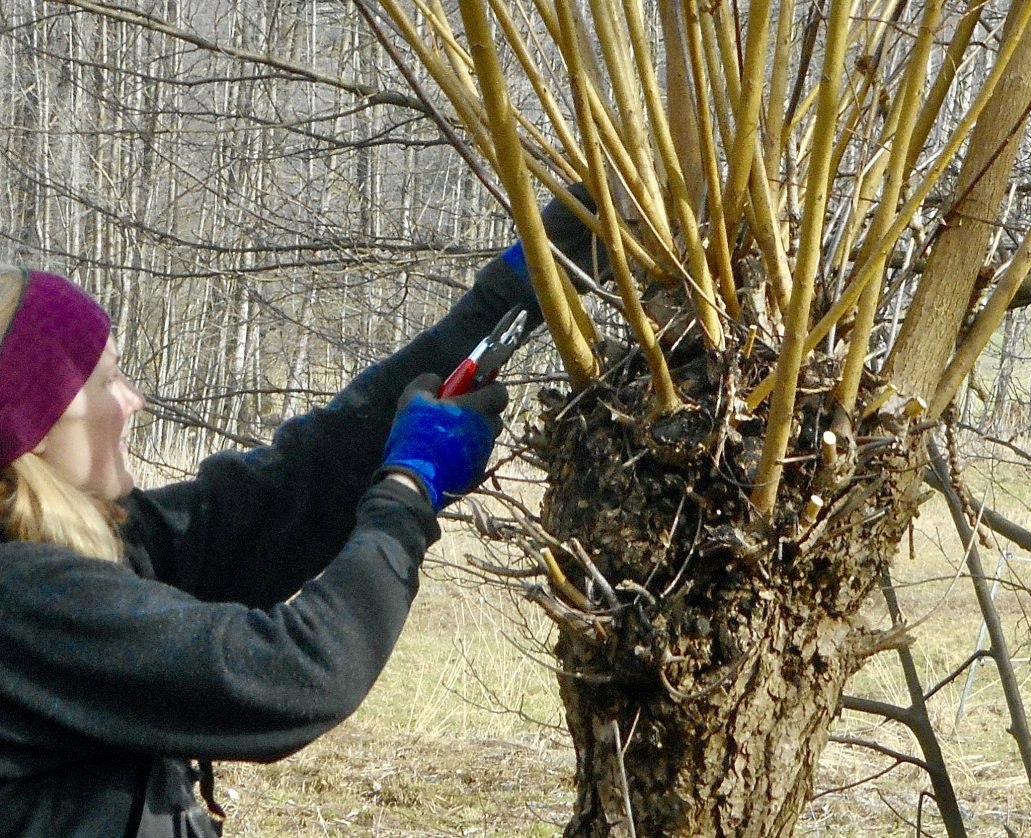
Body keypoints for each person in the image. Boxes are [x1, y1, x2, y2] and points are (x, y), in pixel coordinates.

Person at [0, 189, 600, 837]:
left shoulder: (99, 545)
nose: (134, 400)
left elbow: (299, 483)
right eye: (107, 381)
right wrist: (408, 491)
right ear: (33, 419)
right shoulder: (24, 603)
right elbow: (296, 672)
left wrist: (519, 285)